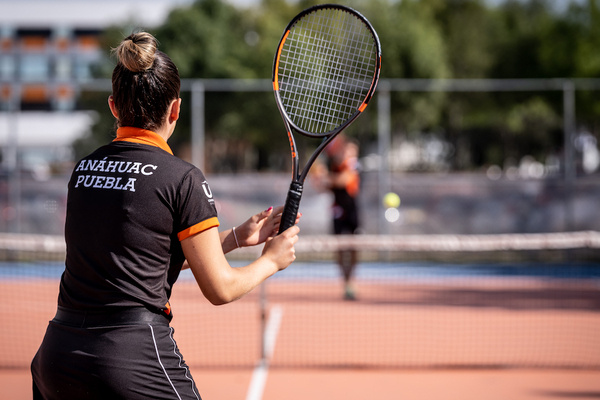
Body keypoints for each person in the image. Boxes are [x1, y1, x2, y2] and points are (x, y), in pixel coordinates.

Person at [30, 31, 299, 400]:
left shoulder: (84, 169)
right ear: (175, 109)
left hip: (55, 357)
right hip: (130, 357)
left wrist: (235, 238)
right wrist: (271, 260)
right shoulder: (182, 178)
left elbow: (140, 258)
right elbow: (220, 290)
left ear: (113, 106)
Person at [314, 135, 361, 300]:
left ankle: (352, 280)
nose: (351, 153)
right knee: (340, 248)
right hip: (337, 210)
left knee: (354, 247)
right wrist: (319, 178)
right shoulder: (333, 165)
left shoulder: (352, 164)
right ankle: (346, 283)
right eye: (348, 150)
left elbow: (344, 180)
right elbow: (323, 188)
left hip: (352, 210)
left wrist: (326, 179)